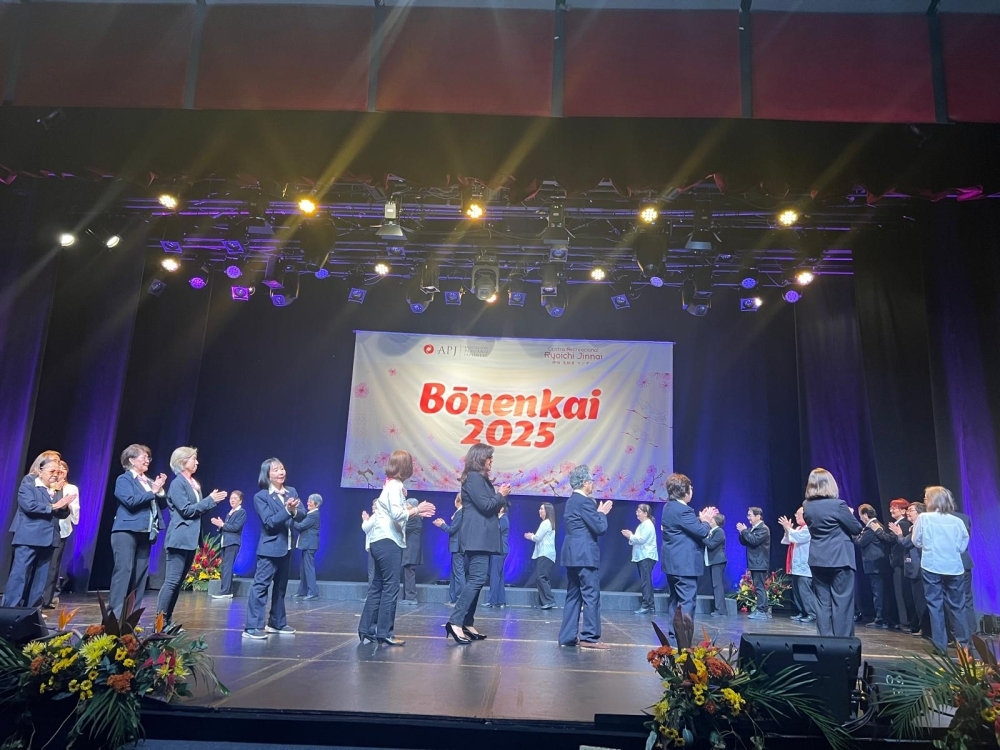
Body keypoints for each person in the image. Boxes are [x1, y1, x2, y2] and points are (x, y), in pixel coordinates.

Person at [359, 451, 434, 645]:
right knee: (391, 587)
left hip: (377, 540)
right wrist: (417, 509)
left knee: (376, 586)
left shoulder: (390, 486)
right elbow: (397, 514)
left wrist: (411, 511)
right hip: (388, 542)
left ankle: (366, 628)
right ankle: (385, 632)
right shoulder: (395, 485)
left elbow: (394, 511)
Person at [446, 443, 509, 645]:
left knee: (478, 580)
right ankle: (455, 621)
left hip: (483, 537)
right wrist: (501, 495)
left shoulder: (481, 479)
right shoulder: (473, 478)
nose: (491, 461)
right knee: (476, 579)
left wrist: (498, 496)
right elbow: (487, 506)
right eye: (489, 457)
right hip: (477, 537)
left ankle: (466, 622)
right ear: (480, 458)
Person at [156, 447, 226, 623]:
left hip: (190, 539)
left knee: (178, 582)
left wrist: (209, 501)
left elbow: (197, 510)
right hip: (179, 538)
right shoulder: (178, 483)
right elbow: (186, 511)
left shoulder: (193, 484)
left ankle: (167, 620)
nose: (197, 462)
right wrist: (209, 500)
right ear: (182, 461)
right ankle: (159, 622)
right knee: (172, 581)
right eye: (193, 458)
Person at [243, 457, 306, 640]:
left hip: (286, 548)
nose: (281, 472)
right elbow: (269, 522)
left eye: (282, 468)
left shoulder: (291, 491)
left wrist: (293, 511)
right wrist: (287, 511)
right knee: (261, 586)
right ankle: (252, 627)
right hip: (269, 549)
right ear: (267, 474)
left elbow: (301, 515)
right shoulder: (261, 496)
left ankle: (277, 623)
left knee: (280, 588)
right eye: (276, 470)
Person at [2, 456, 73, 608]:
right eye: (52, 471)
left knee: (41, 578)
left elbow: (61, 513)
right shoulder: (29, 486)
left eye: (57, 472)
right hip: (29, 537)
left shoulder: (55, 490)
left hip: (49, 538)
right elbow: (30, 506)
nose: (55, 474)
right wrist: (54, 506)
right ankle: (10, 609)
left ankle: (32, 610)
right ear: (41, 472)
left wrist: (64, 506)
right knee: (20, 575)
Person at [801, 468, 863, 637]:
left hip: (817, 559)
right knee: (842, 602)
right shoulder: (838, 505)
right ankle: (842, 644)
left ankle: (825, 642)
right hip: (840, 559)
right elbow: (856, 528)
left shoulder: (806, 506)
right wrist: (849, 514)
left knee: (822, 603)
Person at [109, 444, 168, 618]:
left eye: (148, 458)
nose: (147, 461)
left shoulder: (149, 481)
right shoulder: (124, 479)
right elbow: (130, 501)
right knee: (124, 570)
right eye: (143, 457)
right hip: (126, 531)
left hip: (146, 532)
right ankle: (114, 616)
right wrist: (153, 491)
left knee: (140, 575)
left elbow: (162, 505)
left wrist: (160, 490)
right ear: (131, 460)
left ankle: (132, 617)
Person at [558, 465, 612, 649]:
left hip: (572, 553)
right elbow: (600, 528)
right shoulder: (585, 501)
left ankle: (567, 636)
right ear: (584, 483)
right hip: (585, 554)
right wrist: (602, 514)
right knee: (591, 595)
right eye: (591, 482)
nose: (592, 485)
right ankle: (590, 636)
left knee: (573, 595)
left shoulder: (571, 501)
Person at [912, 486, 970, 653]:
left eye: (926, 498)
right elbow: (962, 545)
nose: (924, 501)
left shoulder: (924, 518)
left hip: (932, 565)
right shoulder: (957, 521)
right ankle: (964, 645)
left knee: (935, 605)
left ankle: (940, 646)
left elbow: (916, 541)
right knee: (958, 606)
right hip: (954, 566)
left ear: (932, 500)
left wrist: (928, 547)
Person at [659, 473, 716, 645]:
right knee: (686, 602)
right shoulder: (684, 510)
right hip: (684, 565)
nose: (692, 491)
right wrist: (706, 521)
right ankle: (682, 638)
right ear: (684, 490)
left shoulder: (669, 507)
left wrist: (699, 519)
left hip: (672, 564)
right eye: (691, 488)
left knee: (675, 601)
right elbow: (701, 531)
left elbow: (685, 526)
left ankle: (673, 635)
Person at [888, 502, 930, 639]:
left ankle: (925, 629)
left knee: (920, 601)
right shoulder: (913, 527)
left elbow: (906, 542)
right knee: (915, 601)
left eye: (911, 510)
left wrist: (899, 534)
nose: (908, 513)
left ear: (919, 513)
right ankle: (922, 627)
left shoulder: (919, 527)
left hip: (918, 568)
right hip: (913, 568)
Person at [42, 460, 80, 608]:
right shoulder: (46, 486)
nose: (61, 473)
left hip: (61, 529)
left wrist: (65, 502)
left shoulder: (71, 488)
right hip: (44, 528)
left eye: (64, 470)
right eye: (59, 470)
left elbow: (75, 509)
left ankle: (50, 597)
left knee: (53, 564)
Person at [855, 504, 894, 629]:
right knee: (879, 591)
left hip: (875, 565)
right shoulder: (874, 526)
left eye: (861, 515)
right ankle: (882, 617)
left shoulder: (873, 527)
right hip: (877, 564)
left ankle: (880, 618)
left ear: (866, 515)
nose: (860, 518)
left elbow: (861, 542)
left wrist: (853, 535)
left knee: (878, 592)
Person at [778, 507, 817, 624]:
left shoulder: (809, 528)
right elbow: (787, 540)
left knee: (805, 591)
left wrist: (788, 528)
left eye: (798, 514)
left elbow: (798, 537)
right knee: (797, 591)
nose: (795, 516)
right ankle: (802, 611)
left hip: (804, 566)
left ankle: (811, 613)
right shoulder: (799, 528)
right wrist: (787, 529)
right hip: (795, 567)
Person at [736, 507, 772, 620]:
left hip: (760, 562)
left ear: (758, 516)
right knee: (758, 586)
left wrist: (745, 531)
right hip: (755, 562)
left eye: (750, 515)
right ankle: (763, 610)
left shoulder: (763, 529)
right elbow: (745, 542)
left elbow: (754, 541)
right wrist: (742, 533)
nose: (748, 518)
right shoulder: (753, 529)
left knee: (760, 587)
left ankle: (762, 611)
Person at [622, 503, 657, 615]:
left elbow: (641, 540)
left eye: (639, 511)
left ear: (646, 513)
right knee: (646, 581)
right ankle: (650, 605)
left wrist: (630, 535)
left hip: (646, 556)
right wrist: (631, 536)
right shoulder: (642, 525)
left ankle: (647, 605)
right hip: (642, 556)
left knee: (645, 581)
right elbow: (636, 540)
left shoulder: (647, 524)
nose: (637, 513)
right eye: (637, 511)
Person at [211, 490, 246, 599]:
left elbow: (235, 528)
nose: (232, 500)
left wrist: (223, 524)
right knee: (225, 567)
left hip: (232, 542)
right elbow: (226, 528)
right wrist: (220, 526)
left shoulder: (241, 512)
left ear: (240, 501)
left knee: (227, 567)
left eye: (235, 498)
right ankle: (227, 591)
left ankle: (225, 591)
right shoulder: (229, 513)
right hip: (225, 542)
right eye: (231, 498)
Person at [433, 494, 465, 605]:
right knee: (454, 573)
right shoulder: (459, 513)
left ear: (458, 501)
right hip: (456, 547)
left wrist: (441, 525)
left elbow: (452, 530)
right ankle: (453, 598)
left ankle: (460, 599)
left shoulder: (461, 513)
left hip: (458, 547)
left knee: (459, 573)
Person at [887, 498, 913, 631]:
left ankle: (905, 622)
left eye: (894, 508)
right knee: (900, 592)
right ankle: (905, 621)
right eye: (891, 507)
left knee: (902, 593)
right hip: (898, 562)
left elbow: (892, 540)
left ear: (903, 510)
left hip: (901, 563)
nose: (891, 510)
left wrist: (878, 530)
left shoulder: (902, 524)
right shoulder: (900, 523)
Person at [525, 502, 556, 609]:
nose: (540, 511)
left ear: (547, 511)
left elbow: (538, 538)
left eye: (542, 509)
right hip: (548, 554)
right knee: (543, 577)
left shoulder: (545, 523)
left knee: (541, 577)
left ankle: (549, 600)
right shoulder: (549, 523)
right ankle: (546, 601)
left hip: (545, 553)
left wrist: (530, 536)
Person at [294, 494, 322, 600]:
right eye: (308, 500)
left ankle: (313, 592)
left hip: (310, 545)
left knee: (309, 568)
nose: (308, 503)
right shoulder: (310, 514)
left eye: (311, 501)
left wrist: (290, 519)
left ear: (317, 504)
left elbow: (300, 526)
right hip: (307, 544)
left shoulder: (313, 515)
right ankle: (302, 590)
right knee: (303, 569)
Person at [399, 491, 424, 605]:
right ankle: (407, 597)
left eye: (408, 506)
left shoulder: (414, 518)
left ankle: (411, 597)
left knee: (409, 572)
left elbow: (402, 528)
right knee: (407, 572)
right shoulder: (413, 518)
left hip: (411, 550)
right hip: (409, 549)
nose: (406, 508)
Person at [486, 501, 510, 608]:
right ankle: (500, 600)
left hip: (499, 550)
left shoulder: (503, 519)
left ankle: (493, 601)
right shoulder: (500, 519)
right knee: (499, 576)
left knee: (495, 575)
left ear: (501, 509)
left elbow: (495, 532)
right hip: (499, 550)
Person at [702, 513, 727, 617]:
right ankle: (718, 608)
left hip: (718, 561)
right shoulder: (712, 532)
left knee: (718, 585)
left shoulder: (719, 531)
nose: (710, 522)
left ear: (717, 522)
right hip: (713, 561)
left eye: (712, 520)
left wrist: (702, 537)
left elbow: (711, 544)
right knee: (715, 585)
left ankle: (720, 610)